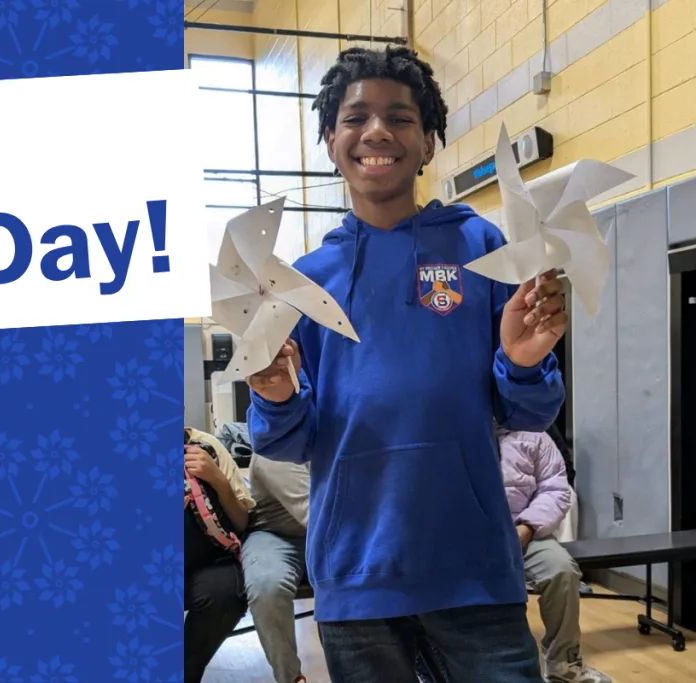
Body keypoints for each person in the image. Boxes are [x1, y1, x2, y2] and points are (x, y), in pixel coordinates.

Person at [245, 45, 568, 683]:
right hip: (356, 573)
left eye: (400, 117)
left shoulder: (482, 247)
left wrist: (524, 362)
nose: (376, 132)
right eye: (355, 117)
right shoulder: (305, 282)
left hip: (474, 567)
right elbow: (286, 441)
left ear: (428, 142)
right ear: (330, 140)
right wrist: (277, 395)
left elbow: (531, 410)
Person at [499, 427, 612, 683]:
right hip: (467, 537)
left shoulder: (534, 434)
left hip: (524, 531)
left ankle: (564, 664)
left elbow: (555, 489)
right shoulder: (455, 427)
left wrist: (526, 528)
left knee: (561, 569)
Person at [184, 426, 256, 683]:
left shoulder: (208, 447)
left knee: (226, 592)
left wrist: (217, 479)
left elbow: (241, 522)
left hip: (207, 561)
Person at [240, 453, 311, 683]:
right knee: (267, 587)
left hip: (324, 532)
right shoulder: (275, 446)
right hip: (275, 533)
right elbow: (314, 513)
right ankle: (290, 678)